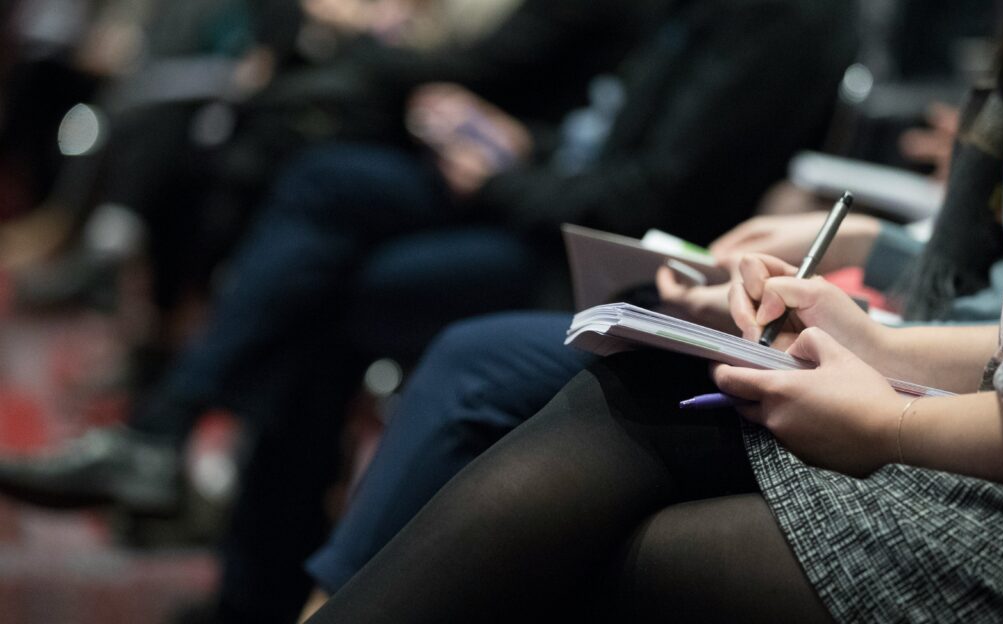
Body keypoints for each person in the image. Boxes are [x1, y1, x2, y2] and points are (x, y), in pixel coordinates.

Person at [307, 0, 1003, 620]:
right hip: (1000, 398)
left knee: (577, 528)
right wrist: (862, 328)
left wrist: (890, 409)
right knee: (620, 381)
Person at [0, 1, 859, 621]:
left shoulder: (784, 22)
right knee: (320, 188)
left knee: (326, 294)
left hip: (613, 263)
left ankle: (250, 551)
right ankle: (219, 518)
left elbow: (649, 194)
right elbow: (596, 125)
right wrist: (517, 144)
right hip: (550, 201)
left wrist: (503, 174)